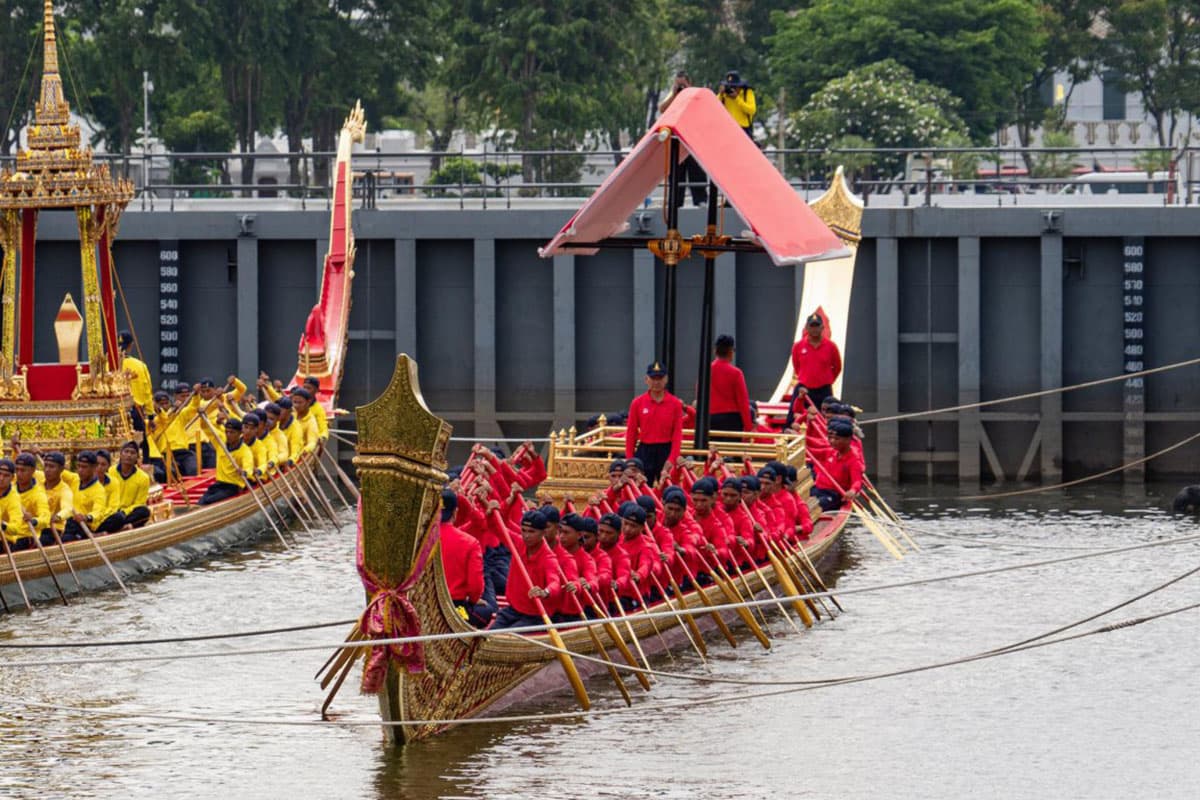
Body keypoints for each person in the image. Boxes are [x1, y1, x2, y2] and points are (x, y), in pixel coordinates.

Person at [490, 510, 561, 631]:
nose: (526, 535)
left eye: (531, 532)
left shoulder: (549, 558)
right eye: (524, 530)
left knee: (508, 639)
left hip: (536, 615)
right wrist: (490, 508)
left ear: (543, 533)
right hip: (513, 610)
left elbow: (555, 583)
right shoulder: (518, 542)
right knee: (487, 636)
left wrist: (545, 592)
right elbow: (494, 526)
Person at [625, 361, 684, 486]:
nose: (656, 382)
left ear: (666, 379)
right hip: (645, 450)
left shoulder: (675, 404)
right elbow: (631, 433)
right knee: (641, 488)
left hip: (665, 450)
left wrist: (672, 458)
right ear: (646, 379)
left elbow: (677, 434)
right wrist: (630, 459)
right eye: (653, 378)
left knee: (668, 488)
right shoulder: (637, 403)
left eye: (660, 378)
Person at [438, 490, 489, 626]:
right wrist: (474, 599)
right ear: (455, 512)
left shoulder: (421, 538)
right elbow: (476, 587)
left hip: (423, 603)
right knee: (487, 610)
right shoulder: (470, 542)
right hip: (455, 607)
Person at [658, 71, 707, 206]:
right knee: (676, 172)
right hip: (677, 140)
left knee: (696, 171)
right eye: (678, 83)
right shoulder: (672, 95)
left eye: (682, 84)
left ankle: (700, 199)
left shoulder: (694, 95)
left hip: (692, 140)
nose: (680, 87)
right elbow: (662, 109)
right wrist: (674, 94)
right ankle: (676, 201)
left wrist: (687, 91)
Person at [788, 313, 842, 426]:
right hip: (803, 390)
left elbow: (837, 367)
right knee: (792, 418)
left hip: (824, 390)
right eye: (812, 326)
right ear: (806, 328)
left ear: (822, 327)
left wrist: (826, 380)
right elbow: (796, 366)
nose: (814, 329)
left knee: (826, 420)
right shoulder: (798, 346)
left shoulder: (831, 346)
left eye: (817, 326)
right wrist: (807, 378)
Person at [62, 451, 121, 540]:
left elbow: (98, 511)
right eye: (79, 466)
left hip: (89, 523)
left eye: (84, 467)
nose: (80, 470)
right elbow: (58, 470)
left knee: (118, 517)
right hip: (72, 521)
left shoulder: (99, 490)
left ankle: (89, 535)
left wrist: (86, 517)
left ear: (94, 468)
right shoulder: (74, 478)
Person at [811, 418, 864, 512]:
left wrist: (852, 491)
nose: (832, 441)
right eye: (831, 438)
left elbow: (857, 481)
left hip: (834, 495)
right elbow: (811, 450)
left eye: (836, 439)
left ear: (848, 440)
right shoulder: (830, 452)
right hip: (817, 489)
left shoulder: (854, 460)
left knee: (813, 507)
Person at [198, 419, 253, 506]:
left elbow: (248, 468)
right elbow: (205, 427)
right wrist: (202, 414)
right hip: (219, 484)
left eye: (232, 433)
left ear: (240, 433)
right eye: (227, 432)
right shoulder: (221, 443)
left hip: (233, 487)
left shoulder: (245, 451)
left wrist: (244, 472)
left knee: (209, 501)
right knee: (201, 502)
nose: (228, 435)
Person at [118, 330, 154, 459]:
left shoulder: (107, 365)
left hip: (114, 413)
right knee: (141, 446)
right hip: (135, 411)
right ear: (131, 345)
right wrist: (151, 416)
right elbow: (147, 392)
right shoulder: (140, 366)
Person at [708, 334, 752, 433]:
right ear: (731, 351)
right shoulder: (736, 373)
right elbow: (743, 402)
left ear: (715, 350)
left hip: (710, 419)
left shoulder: (706, 371)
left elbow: (700, 396)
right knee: (731, 448)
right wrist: (748, 427)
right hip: (732, 420)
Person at [109, 441, 152, 530]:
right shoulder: (111, 472)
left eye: (132, 453)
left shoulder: (143, 478)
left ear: (137, 457)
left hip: (128, 513)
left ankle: (119, 526)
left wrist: (124, 512)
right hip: (111, 511)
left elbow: (139, 503)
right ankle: (122, 526)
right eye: (126, 452)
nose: (129, 455)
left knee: (144, 512)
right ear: (120, 455)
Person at [717, 70, 756, 138]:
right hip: (728, 129)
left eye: (734, 86)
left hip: (743, 129)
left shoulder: (747, 92)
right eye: (730, 86)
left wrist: (737, 98)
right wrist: (721, 94)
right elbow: (714, 106)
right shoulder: (724, 94)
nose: (732, 89)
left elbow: (752, 110)